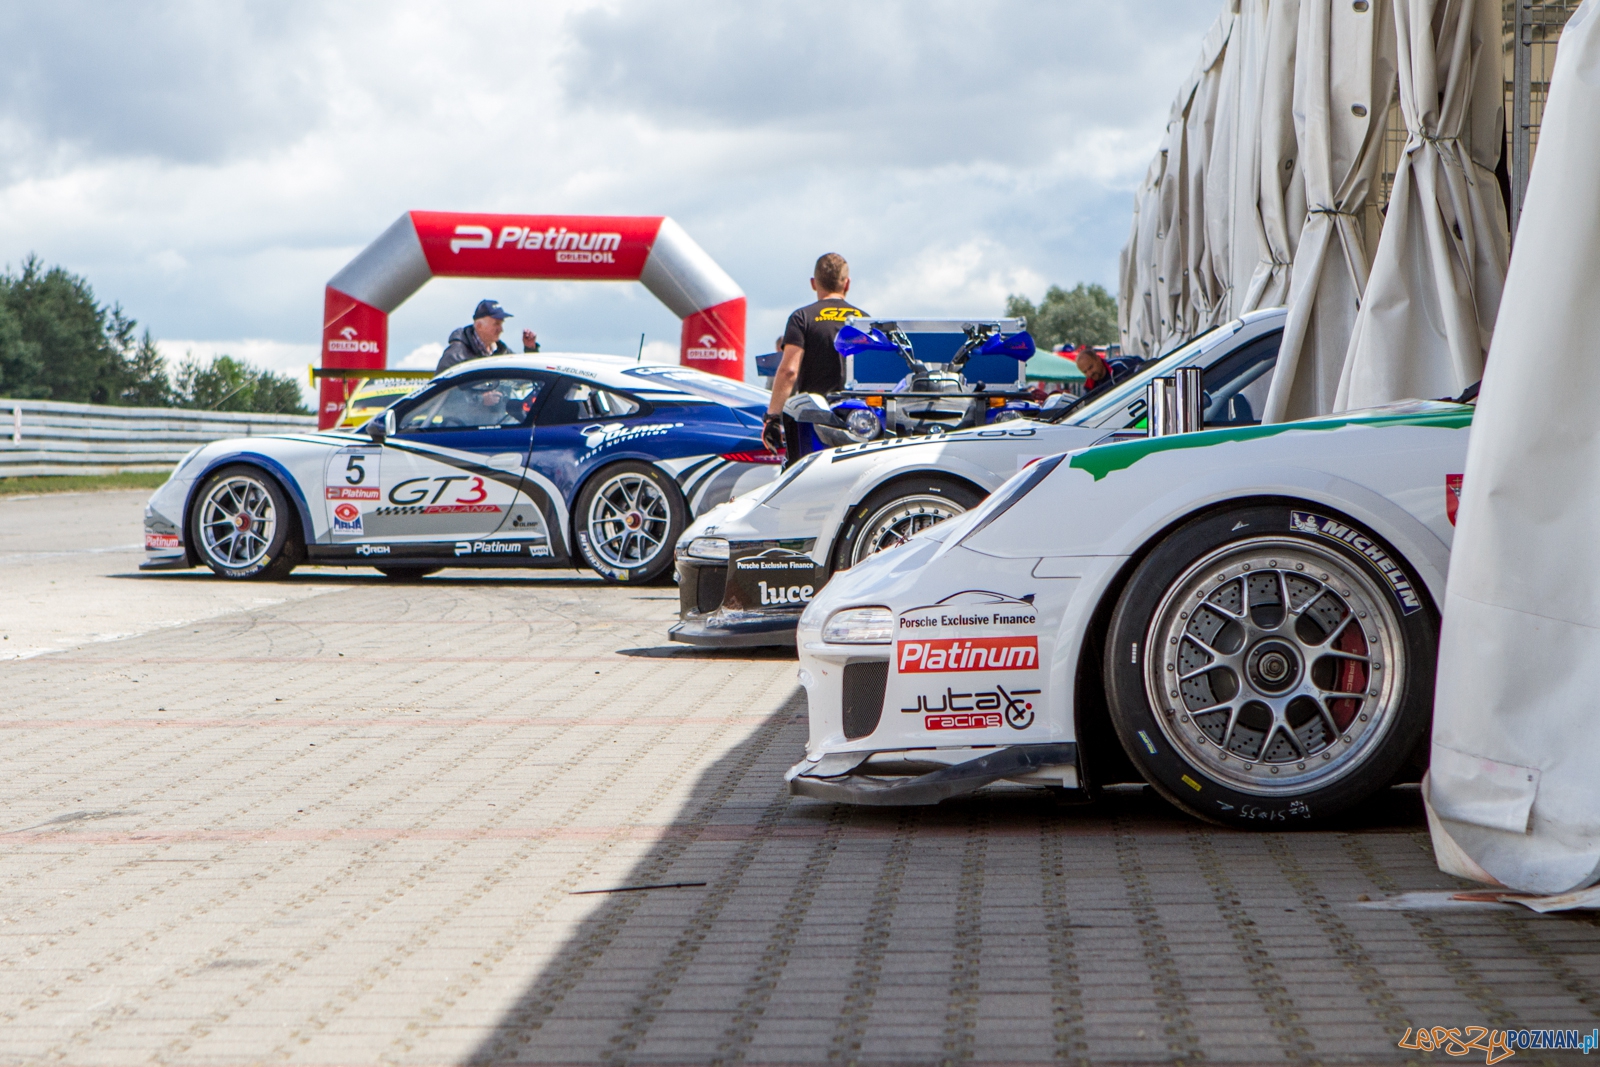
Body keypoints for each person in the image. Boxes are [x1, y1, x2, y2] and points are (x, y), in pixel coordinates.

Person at [763, 254, 868, 466]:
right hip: (858, 421)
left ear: (813, 283)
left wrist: (772, 418)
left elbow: (788, 371)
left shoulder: (802, 318)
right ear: (847, 284)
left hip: (814, 421)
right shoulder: (864, 320)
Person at [436, 299, 540, 374]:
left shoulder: (501, 351)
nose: (501, 330)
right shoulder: (456, 354)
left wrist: (530, 349)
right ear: (479, 326)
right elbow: (442, 393)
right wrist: (480, 399)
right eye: (496, 324)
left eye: (501, 324)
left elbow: (522, 377)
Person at [1072, 344, 1140, 397]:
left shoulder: (1120, 365)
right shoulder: (1089, 388)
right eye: (1085, 372)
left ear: (1098, 359)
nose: (1089, 374)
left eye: (1090, 367)